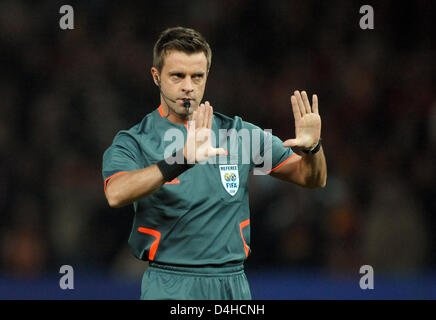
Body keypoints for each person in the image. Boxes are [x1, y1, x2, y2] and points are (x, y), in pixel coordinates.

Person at [102, 26, 327, 300]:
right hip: (170, 284)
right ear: (156, 76)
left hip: (232, 284)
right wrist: (180, 159)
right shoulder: (136, 141)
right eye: (177, 76)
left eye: (197, 76)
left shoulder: (240, 135)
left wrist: (313, 149)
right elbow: (115, 193)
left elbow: (312, 178)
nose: (188, 86)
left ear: (207, 76)